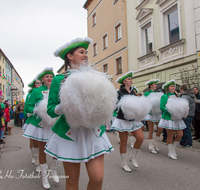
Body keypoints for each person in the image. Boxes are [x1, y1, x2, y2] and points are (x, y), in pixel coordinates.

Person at [44, 37, 115, 190]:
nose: (86, 55)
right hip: (70, 134)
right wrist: (66, 104)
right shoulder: (59, 80)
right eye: (81, 52)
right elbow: (50, 110)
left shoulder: (95, 77)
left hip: (93, 132)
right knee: (72, 182)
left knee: (97, 178)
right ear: (70, 56)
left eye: (86, 52)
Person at [23, 68, 60, 189]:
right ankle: (44, 177)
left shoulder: (58, 90)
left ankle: (54, 171)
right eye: (47, 76)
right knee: (42, 150)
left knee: (56, 149)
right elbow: (28, 106)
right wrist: (37, 110)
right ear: (42, 79)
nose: (49, 78)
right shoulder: (36, 91)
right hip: (41, 125)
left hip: (54, 124)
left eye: (51, 76)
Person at [111, 71, 144, 172]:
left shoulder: (134, 92)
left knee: (140, 138)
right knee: (124, 142)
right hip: (122, 119)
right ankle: (124, 162)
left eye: (131, 79)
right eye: (129, 79)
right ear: (124, 81)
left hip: (133, 119)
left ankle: (133, 156)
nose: (131, 80)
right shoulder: (119, 93)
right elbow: (115, 106)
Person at [158, 80, 186, 159]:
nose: (173, 88)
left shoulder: (177, 95)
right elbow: (161, 107)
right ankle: (170, 152)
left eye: (174, 86)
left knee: (180, 134)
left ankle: (173, 148)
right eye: (171, 86)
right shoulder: (164, 96)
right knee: (170, 135)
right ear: (167, 88)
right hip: (168, 118)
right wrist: (170, 109)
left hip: (177, 118)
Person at [23, 79, 42, 164]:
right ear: (34, 85)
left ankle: (42, 158)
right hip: (33, 117)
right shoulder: (30, 95)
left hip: (43, 119)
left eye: (40, 83)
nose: (39, 84)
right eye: (37, 83)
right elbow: (27, 106)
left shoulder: (46, 92)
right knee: (33, 139)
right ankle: (34, 156)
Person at [144, 79, 163, 154]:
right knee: (151, 130)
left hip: (157, 113)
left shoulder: (157, 93)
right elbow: (145, 103)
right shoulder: (147, 93)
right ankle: (151, 146)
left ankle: (155, 142)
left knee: (160, 128)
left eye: (156, 84)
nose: (156, 85)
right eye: (154, 84)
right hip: (150, 113)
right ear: (150, 85)